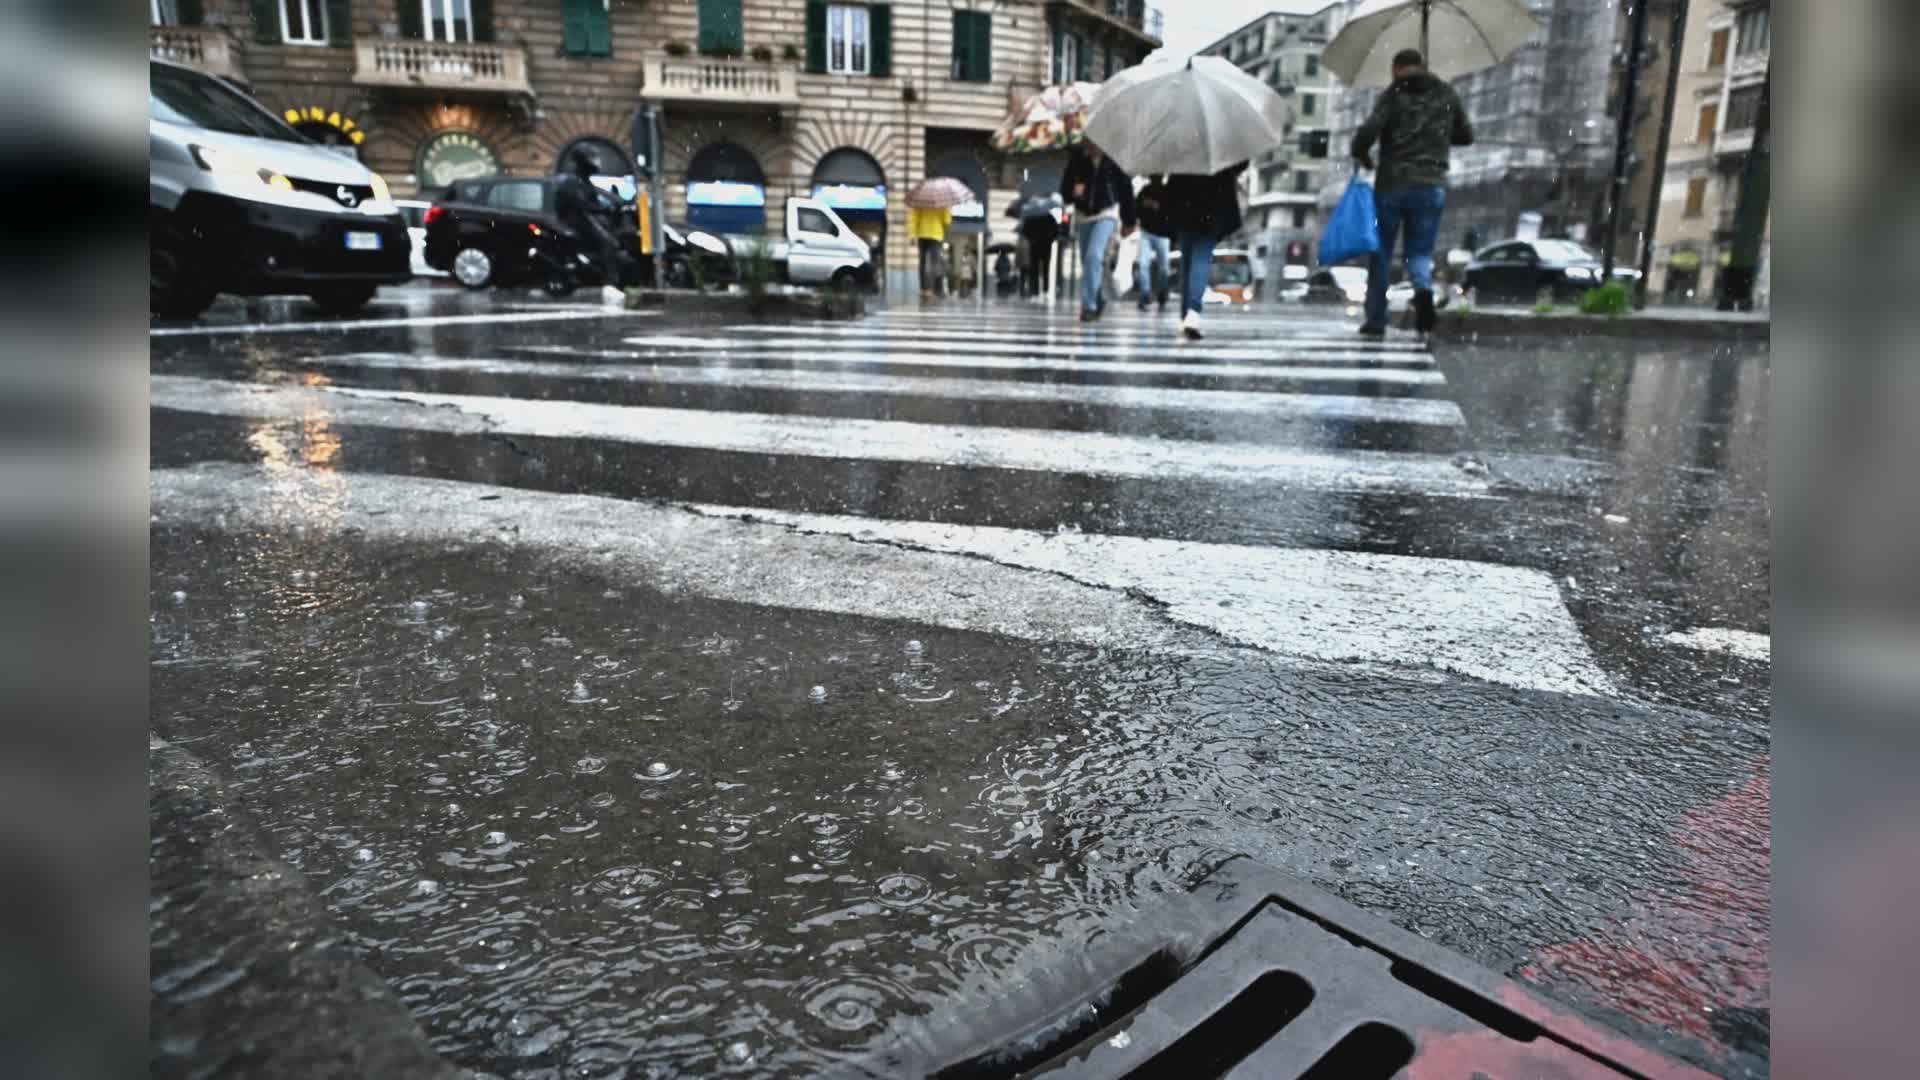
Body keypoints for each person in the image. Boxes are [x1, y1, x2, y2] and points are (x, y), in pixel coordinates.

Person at [1351, 47, 1474, 339]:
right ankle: (1423, 293)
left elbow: (1367, 132)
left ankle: (1376, 320)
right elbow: (1466, 135)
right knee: (1419, 253)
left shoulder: (1393, 94)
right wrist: (1438, 135)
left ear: (1397, 68)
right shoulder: (1446, 94)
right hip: (1431, 185)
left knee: (1381, 253)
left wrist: (1362, 154)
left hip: (1392, 184)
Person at [1162, 161, 1248, 340]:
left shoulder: (1184, 147)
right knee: (1200, 259)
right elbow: (1240, 164)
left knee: (1187, 262)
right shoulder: (1222, 150)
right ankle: (1192, 313)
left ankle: (1185, 315)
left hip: (1184, 201)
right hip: (1212, 205)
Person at [1059, 140, 1136, 322]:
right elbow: (1064, 191)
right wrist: (1073, 193)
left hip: (1106, 214)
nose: (1091, 147)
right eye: (1088, 143)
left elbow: (1126, 191)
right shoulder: (1077, 159)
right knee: (1088, 261)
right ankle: (1098, 297)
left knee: (1093, 256)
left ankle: (1089, 307)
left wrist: (1129, 221)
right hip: (1083, 216)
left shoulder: (1115, 160)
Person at [555, 148, 625, 304]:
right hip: (576, 219)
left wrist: (607, 206)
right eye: (593, 159)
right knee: (607, 242)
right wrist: (603, 208)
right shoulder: (573, 182)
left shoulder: (585, 181)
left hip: (582, 217)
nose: (596, 163)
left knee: (614, 236)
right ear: (583, 161)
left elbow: (593, 201)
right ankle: (610, 283)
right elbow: (582, 204)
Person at [908, 202, 952, 300]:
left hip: (922, 233)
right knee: (934, 263)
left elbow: (914, 218)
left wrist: (912, 235)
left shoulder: (921, 201)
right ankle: (931, 289)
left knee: (922, 262)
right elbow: (947, 221)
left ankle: (924, 289)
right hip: (936, 234)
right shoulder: (942, 202)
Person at [1018, 206, 1058, 300]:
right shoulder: (1050, 217)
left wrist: (1031, 239)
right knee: (1045, 269)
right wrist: (1050, 239)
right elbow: (1056, 232)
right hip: (1046, 246)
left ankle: (1035, 292)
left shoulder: (1031, 217)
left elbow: (1025, 231)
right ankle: (1045, 290)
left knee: (1034, 270)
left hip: (1034, 246)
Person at [1136, 228, 1171, 311]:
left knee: (1164, 267)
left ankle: (1162, 294)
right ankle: (1145, 295)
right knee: (1143, 264)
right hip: (1146, 231)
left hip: (1163, 231)